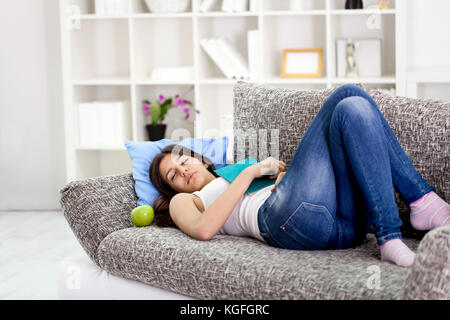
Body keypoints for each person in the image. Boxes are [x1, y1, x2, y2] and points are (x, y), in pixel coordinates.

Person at [149, 84, 450, 268]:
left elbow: (298, 177)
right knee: (346, 92)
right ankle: (416, 209)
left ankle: (393, 231)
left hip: (343, 223)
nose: (182, 170)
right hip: (284, 222)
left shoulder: (232, 168)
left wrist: (282, 176)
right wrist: (252, 172)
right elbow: (204, 230)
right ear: (171, 188)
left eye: (182, 160)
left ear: (198, 159)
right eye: (172, 175)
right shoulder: (185, 201)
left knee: (352, 105)